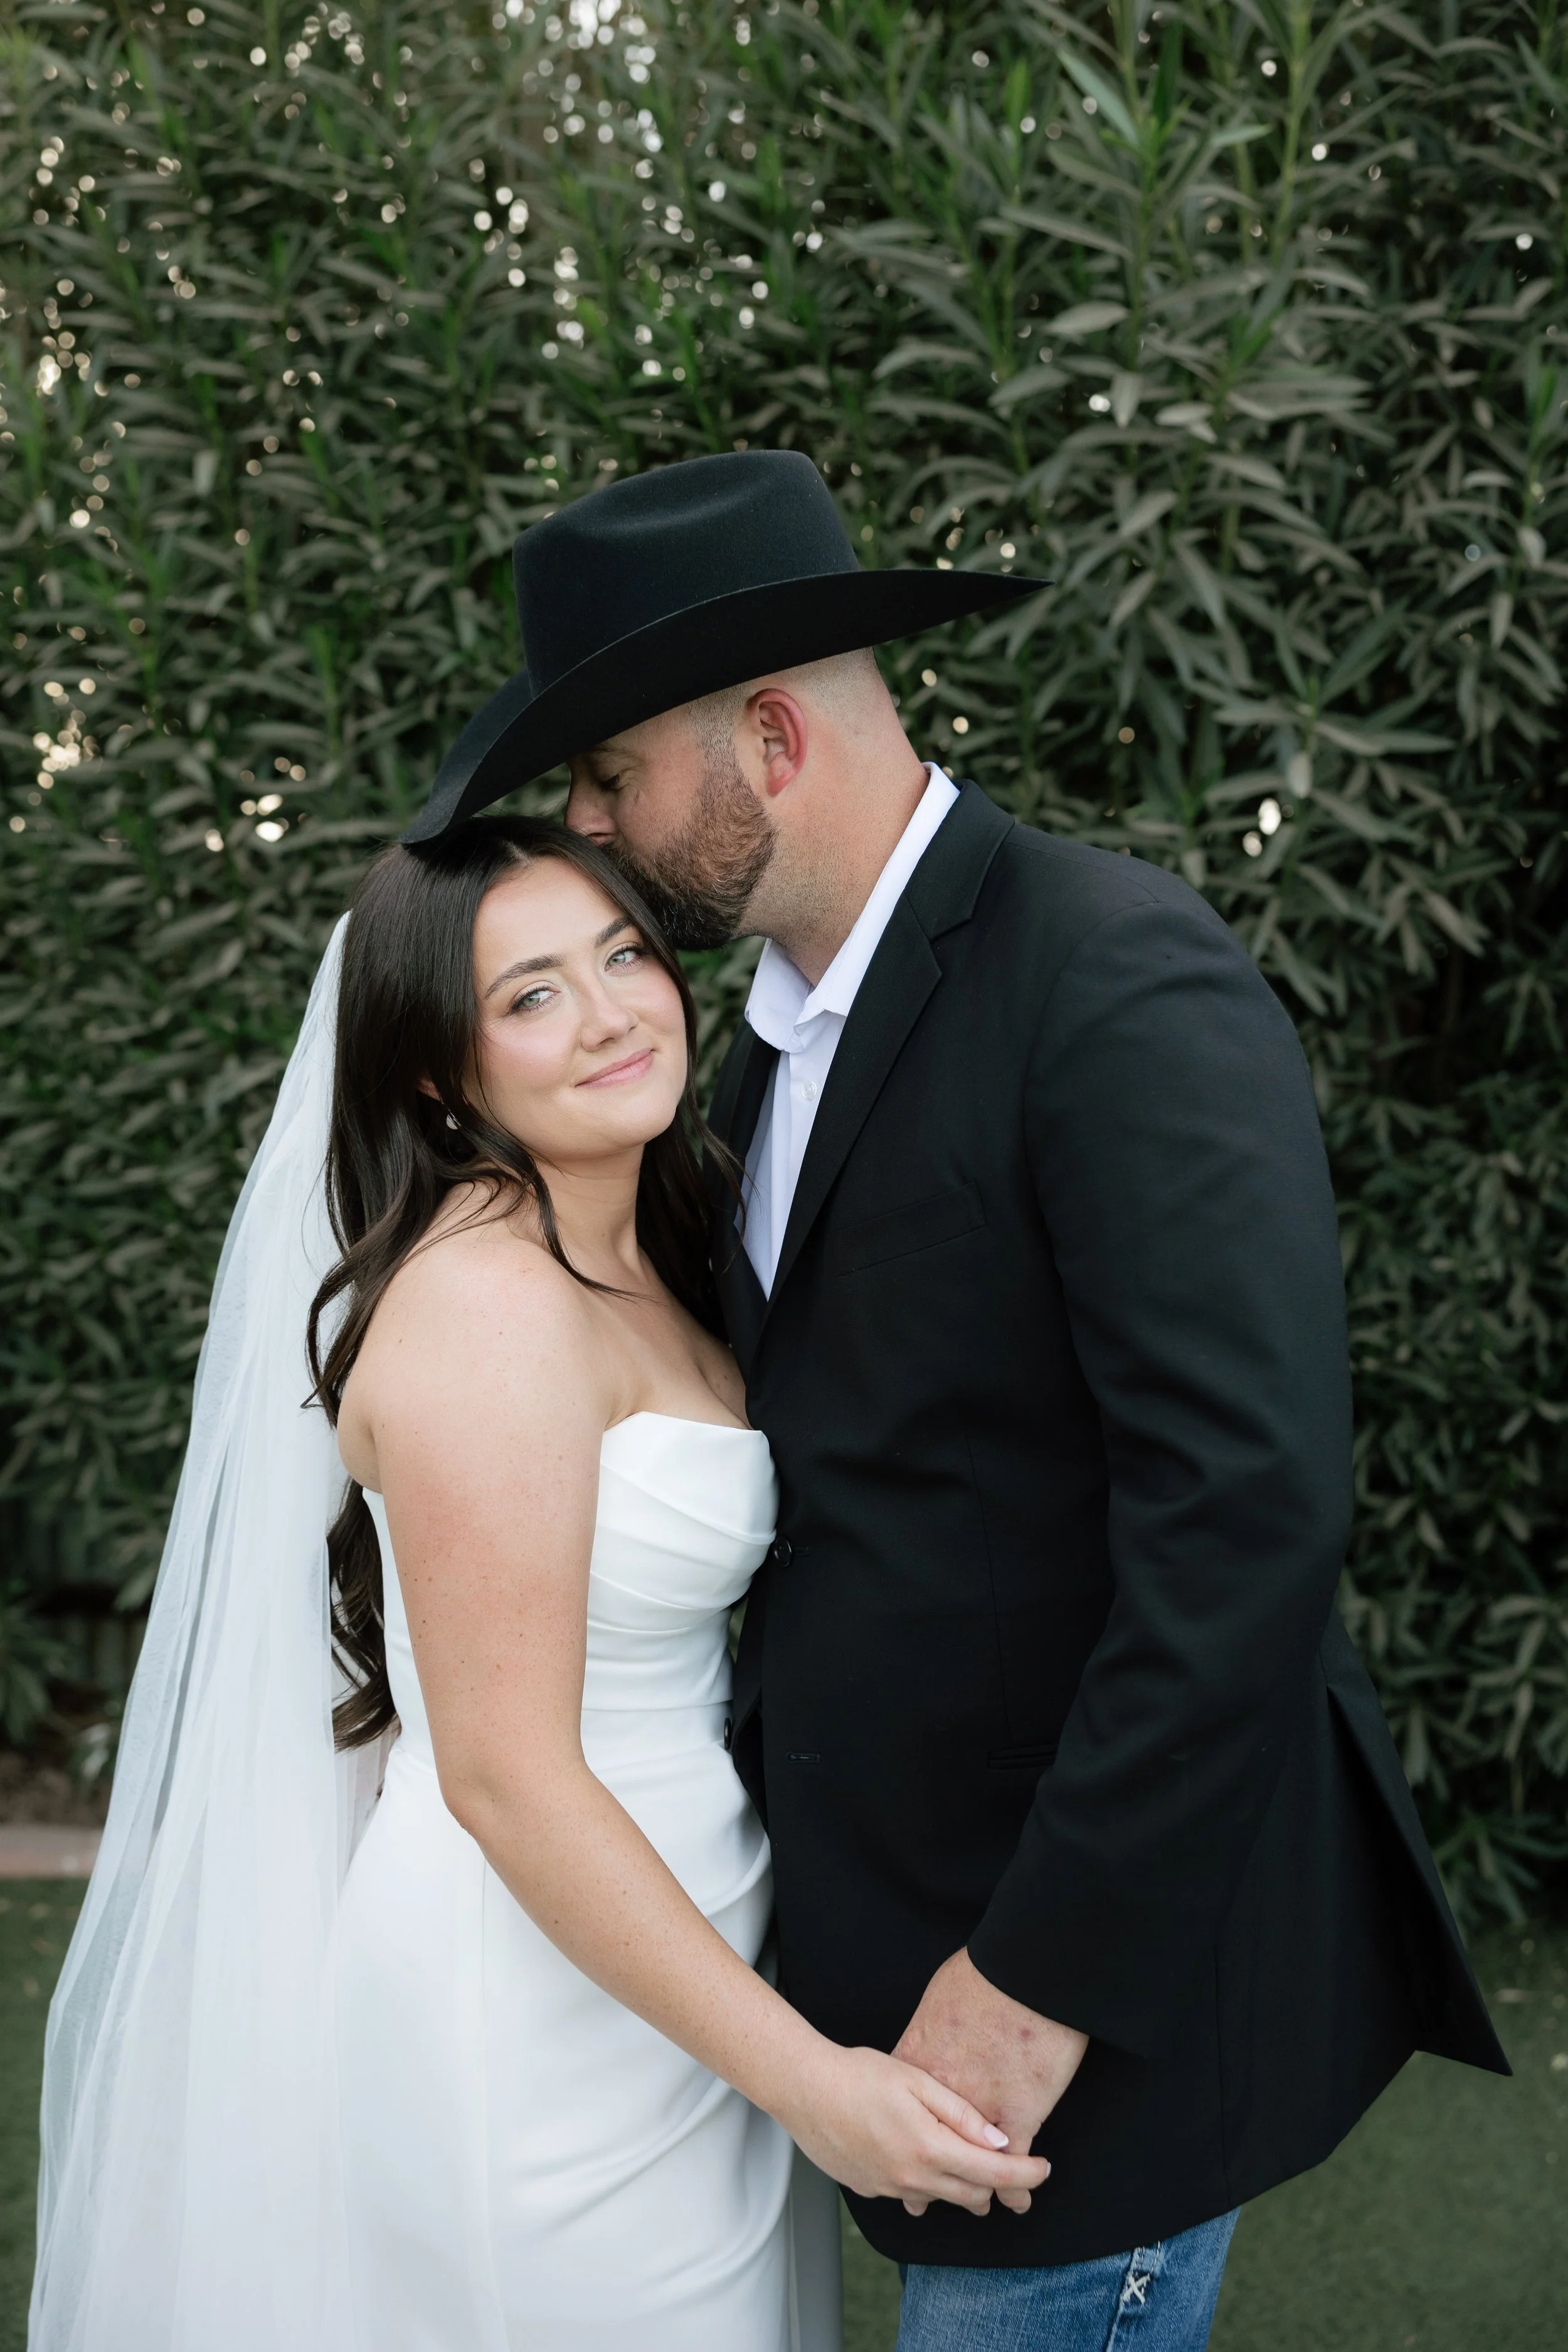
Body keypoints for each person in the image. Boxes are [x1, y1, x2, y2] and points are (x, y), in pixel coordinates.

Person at [404, 448, 1508, 2352]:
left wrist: (1034, 1980)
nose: (585, 829)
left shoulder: (1107, 977)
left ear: (765, 738)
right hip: (885, 1970)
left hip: (1090, 2004)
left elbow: (1239, 1516)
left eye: (607, 777)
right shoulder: (736, 1067)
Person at [31, 817, 1049, 2352]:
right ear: (440, 1075)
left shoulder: (659, 1243)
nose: (614, 1012)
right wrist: (814, 2085)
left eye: (624, 956)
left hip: (681, 1964)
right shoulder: (487, 1305)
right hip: (529, 2001)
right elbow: (504, 1774)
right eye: (531, 996)